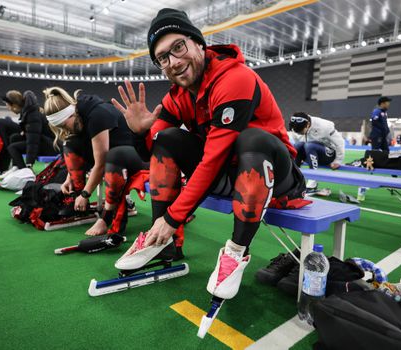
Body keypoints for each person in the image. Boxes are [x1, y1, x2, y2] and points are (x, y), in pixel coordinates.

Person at [111, 8, 307, 299]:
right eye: (163, 58)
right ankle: (162, 243)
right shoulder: (176, 96)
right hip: (230, 176)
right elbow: (154, 154)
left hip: (277, 177)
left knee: (251, 139)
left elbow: (212, 160)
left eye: (178, 47)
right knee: (167, 137)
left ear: (198, 43)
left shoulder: (235, 79)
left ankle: (237, 252)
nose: (173, 63)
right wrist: (140, 133)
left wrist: (173, 218)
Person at [43, 87, 150, 237]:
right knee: (70, 144)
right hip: (115, 155)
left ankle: (107, 218)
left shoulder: (97, 115)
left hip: (139, 155)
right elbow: (81, 149)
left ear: (72, 113)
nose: (64, 129)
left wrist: (86, 194)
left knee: (112, 157)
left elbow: (100, 163)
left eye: (63, 124)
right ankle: (77, 201)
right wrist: (71, 177)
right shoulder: (79, 115)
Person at [2, 90, 57, 173]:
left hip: (49, 146)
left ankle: (26, 172)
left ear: (14, 105)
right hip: (43, 141)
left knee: (12, 148)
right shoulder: (27, 112)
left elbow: (33, 141)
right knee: (14, 138)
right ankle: (16, 167)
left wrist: (29, 163)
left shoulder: (32, 115)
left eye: (8, 106)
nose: (9, 109)